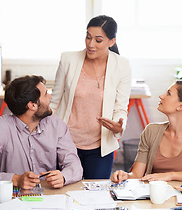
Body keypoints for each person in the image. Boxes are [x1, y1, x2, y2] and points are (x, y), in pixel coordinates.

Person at [50, 15, 131, 179]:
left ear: (111, 42)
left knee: (96, 197)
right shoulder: (68, 60)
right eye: (88, 37)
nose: (90, 44)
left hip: (100, 147)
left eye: (98, 40)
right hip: (66, 144)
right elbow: (54, 102)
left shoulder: (122, 65)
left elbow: (120, 108)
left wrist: (119, 127)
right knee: (64, 195)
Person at [0, 75, 83, 189]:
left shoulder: (56, 125)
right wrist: (15, 179)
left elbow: (75, 166)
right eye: (46, 94)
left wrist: (63, 177)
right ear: (32, 105)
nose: (50, 97)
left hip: (48, 196)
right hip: (11, 200)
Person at [111, 80, 182, 185]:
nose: (161, 96)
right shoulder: (151, 131)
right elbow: (136, 175)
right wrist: (124, 175)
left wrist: (171, 175)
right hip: (153, 198)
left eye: (168, 93)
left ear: (180, 106)